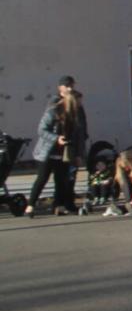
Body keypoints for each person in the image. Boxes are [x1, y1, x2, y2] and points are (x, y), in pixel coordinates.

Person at [26, 78, 87, 217]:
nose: (80, 104)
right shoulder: (53, 111)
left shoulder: (76, 116)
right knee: (42, 178)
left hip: (64, 153)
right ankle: (30, 205)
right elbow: (41, 130)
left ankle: (58, 206)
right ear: (71, 102)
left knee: (61, 180)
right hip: (47, 151)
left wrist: (78, 154)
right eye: (78, 102)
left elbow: (79, 137)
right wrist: (56, 138)